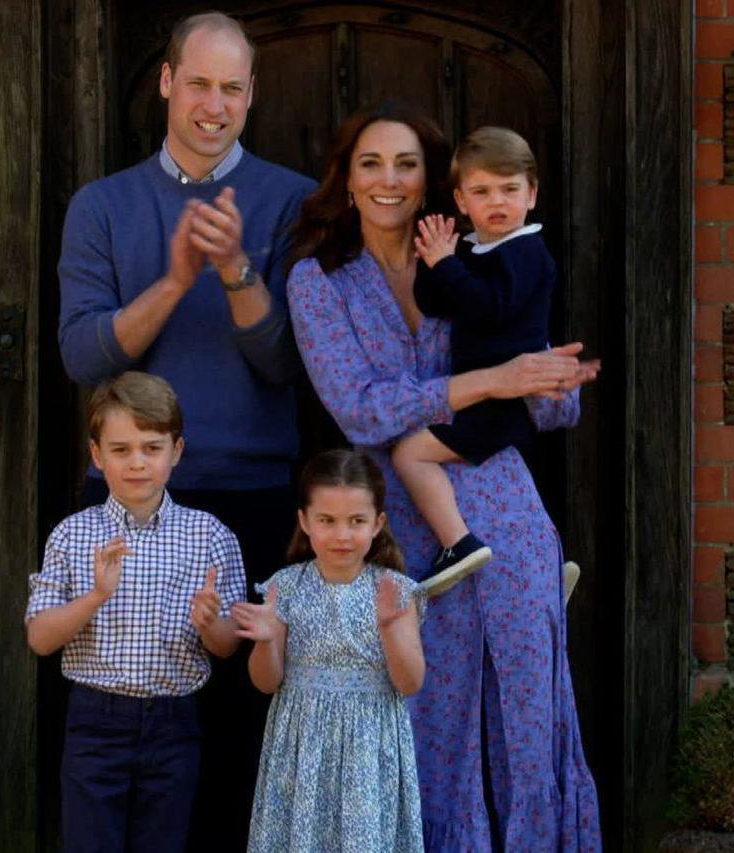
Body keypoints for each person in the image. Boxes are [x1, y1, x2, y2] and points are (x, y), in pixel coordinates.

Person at [285, 102, 603, 851]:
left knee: (527, 712)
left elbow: (550, 401)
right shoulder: (318, 280)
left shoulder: (481, 253)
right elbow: (361, 413)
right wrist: (491, 381)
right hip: (398, 527)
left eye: (406, 164)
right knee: (426, 714)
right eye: (371, 163)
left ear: (436, 183)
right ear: (348, 179)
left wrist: (554, 381)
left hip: (505, 507)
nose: (389, 180)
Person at [56, 11, 315, 848]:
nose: (214, 104)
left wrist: (237, 269)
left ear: (251, 95)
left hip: (251, 497)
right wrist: (173, 280)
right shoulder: (103, 205)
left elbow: (287, 364)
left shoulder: (291, 202)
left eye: (231, 88)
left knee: (240, 727)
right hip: (130, 499)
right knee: (129, 723)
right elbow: (81, 354)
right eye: (197, 83)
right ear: (166, 82)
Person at [24, 372, 245, 852]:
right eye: (121, 450)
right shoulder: (72, 535)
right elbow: (40, 639)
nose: (138, 463)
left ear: (177, 451)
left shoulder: (210, 536)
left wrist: (211, 623)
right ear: (97, 455)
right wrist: (94, 597)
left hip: (174, 723)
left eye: (151, 447)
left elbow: (228, 647)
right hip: (95, 723)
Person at [232, 449, 426, 852]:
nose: (342, 535)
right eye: (327, 521)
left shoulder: (394, 590)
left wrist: (391, 627)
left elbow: (410, 682)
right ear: (304, 521)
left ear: (378, 524)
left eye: (356, 521)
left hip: (369, 745)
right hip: (302, 744)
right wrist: (266, 640)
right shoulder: (284, 587)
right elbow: (266, 683)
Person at [393, 126, 557, 596]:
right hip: (479, 394)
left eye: (509, 190)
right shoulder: (475, 249)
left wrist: (448, 265)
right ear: (462, 201)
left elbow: (489, 308)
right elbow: (435, 303)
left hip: (501, 402)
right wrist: (434, 261)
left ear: (532, 193)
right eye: (482, 192)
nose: (497, 202)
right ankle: (534, 568)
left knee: (410, 453)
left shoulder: (527, 252)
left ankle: (458, 544)